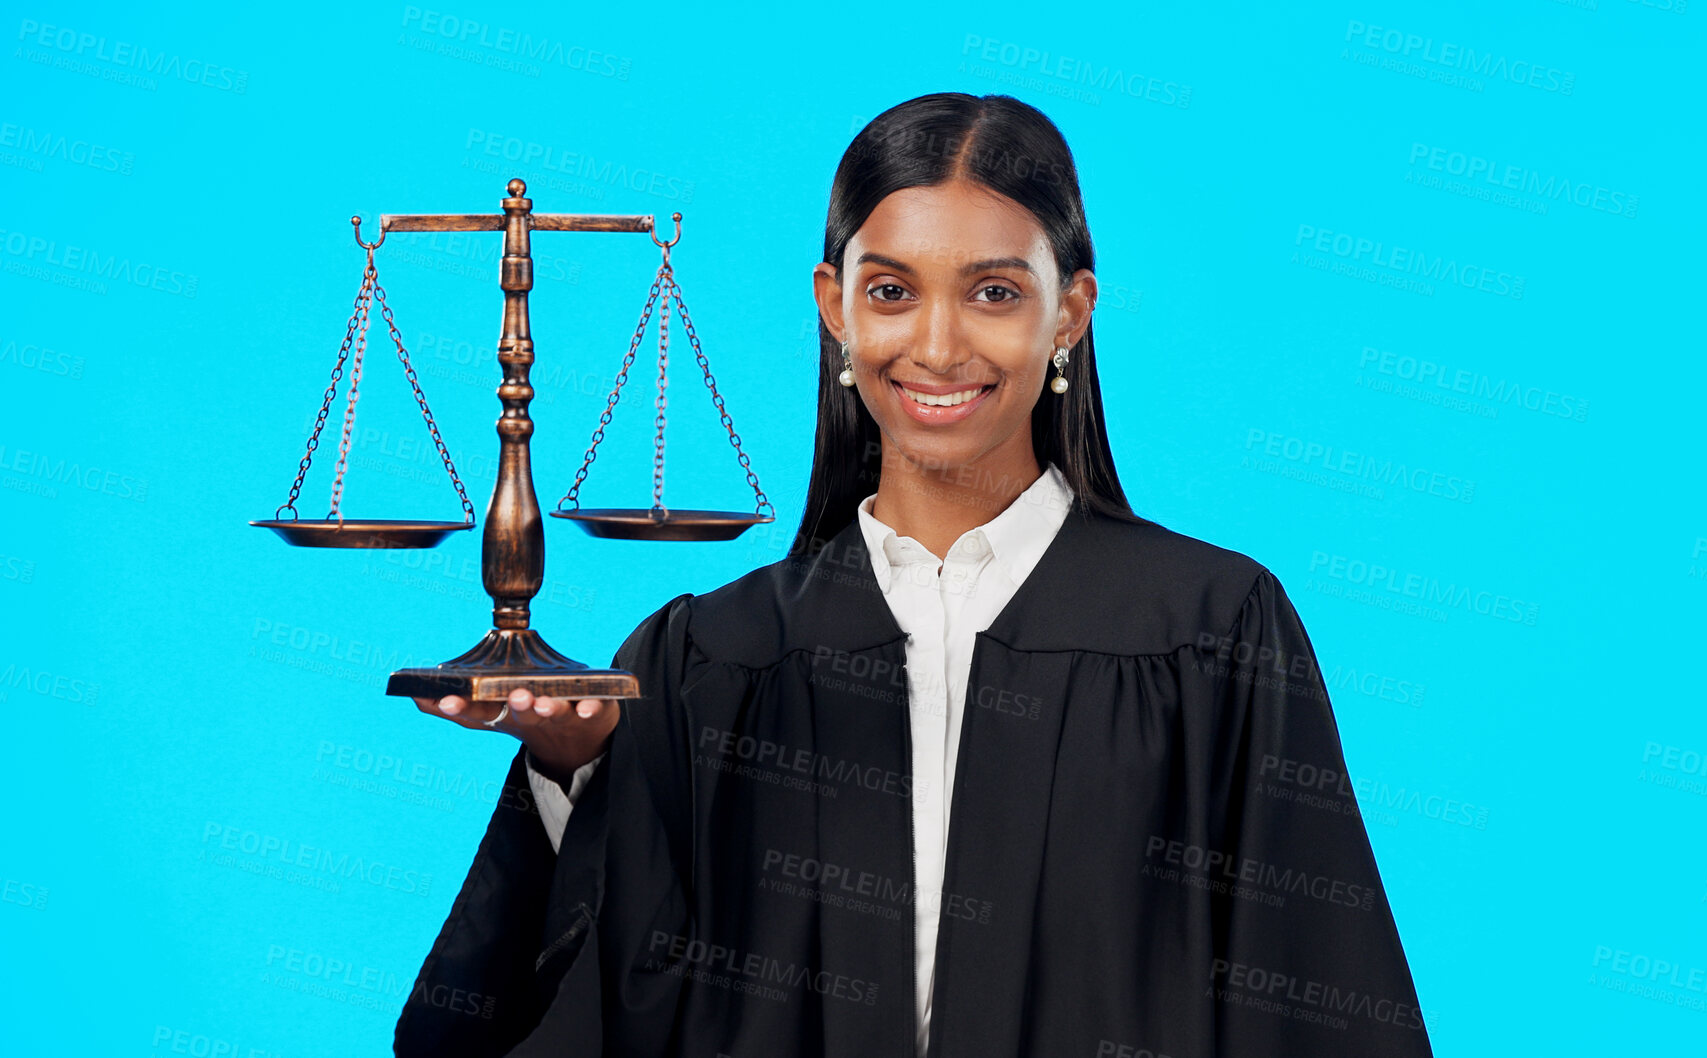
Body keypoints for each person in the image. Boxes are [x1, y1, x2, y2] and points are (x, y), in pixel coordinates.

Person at [398, 92, 1432, 1058]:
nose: (937, 345)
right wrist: (574, 770)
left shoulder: (1207, 630)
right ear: (835, 307)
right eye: (891, 290)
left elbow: (1314, 997)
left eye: (993, 290)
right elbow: (601, 1001)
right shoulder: (711, 657)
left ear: (1069, 311)